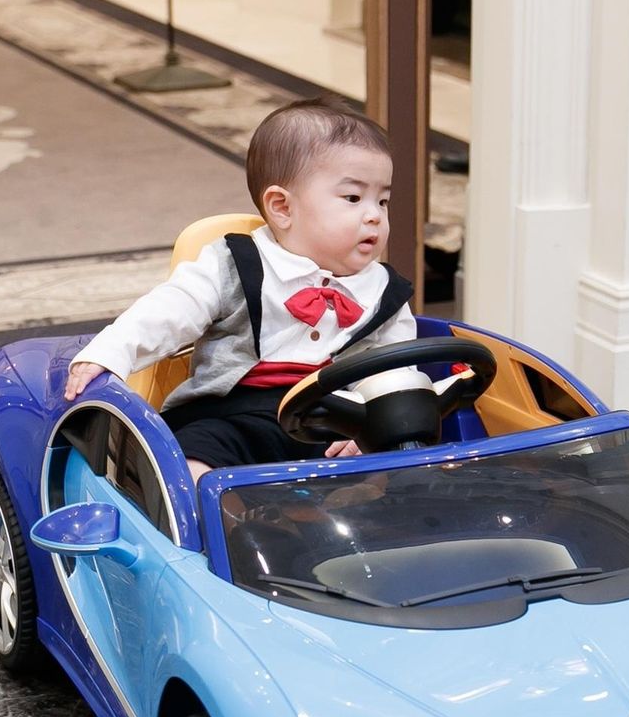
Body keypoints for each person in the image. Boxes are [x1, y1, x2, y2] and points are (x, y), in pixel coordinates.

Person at [64, 96, 417, 481]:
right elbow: (169, 310)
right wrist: (111, 352)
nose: (374, 215)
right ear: (282, 207)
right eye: (353, 198)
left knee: (396, 466)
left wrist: (372, 425)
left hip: (331, 426)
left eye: (383, 200)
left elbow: (396, 372)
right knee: (192, 464)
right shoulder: (235, 263)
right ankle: (200, 512)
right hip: (231, 416)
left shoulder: (386, 293)